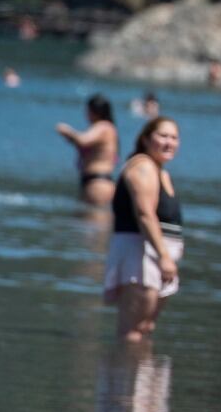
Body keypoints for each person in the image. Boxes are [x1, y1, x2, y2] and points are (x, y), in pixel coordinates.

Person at [104, 117, 183, 342]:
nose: (169, 142)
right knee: (133, 331)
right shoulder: (143, 167)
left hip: (155, 258)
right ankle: (125, 374)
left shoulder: (160, 171)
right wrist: (164, 256)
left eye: (174, 137)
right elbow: (145, 215)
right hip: (140, 257)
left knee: (146, 328)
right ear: (146, 139)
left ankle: (142, 375)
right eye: (163, 136)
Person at [56, 93, 120, 206]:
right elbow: (82, 145)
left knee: (95, 222)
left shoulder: (103, 126)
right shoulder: (104, 128)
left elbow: (83, 140)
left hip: (99, 183)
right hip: (93, 182)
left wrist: (67, 131)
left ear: (94, 111)